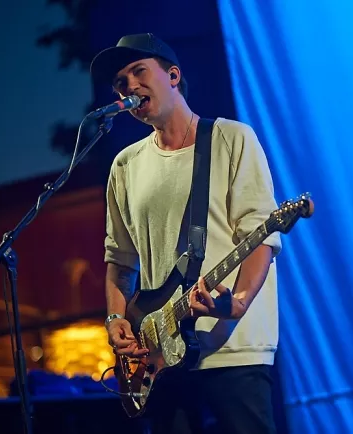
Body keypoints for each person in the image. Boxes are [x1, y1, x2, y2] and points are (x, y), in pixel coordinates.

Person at [89, 33, 282, 434]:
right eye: (121, 83)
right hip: (160, 358)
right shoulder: (125, 165)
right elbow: (120, 260)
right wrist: (115, 318)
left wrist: (238, 302)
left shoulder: (232, 138)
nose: (130, 86)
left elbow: (260, 235)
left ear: (173, 75)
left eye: (139, 72)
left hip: (232, 347)